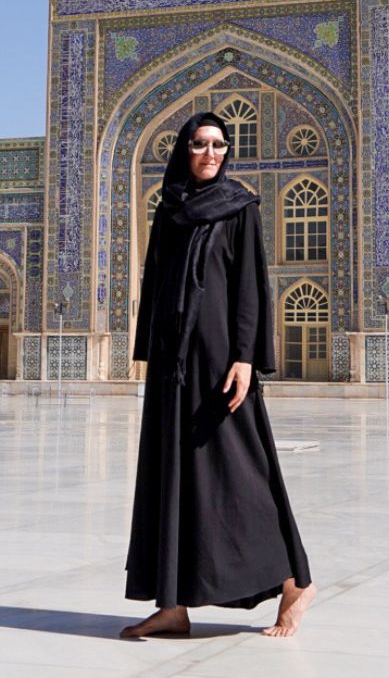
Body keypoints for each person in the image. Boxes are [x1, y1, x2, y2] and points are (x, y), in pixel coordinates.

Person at [120, 111, 315, 639]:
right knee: (172, 475)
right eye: (201, 144)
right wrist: (152, 354)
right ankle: (173, 604)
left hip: (221, 363)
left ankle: (295, 583)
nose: (210, 154)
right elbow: (157, 284)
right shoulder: (169, 211)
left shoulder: (239, 208)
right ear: (184, 149)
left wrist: (246, 357)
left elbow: (250, 285)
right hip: (173, 365)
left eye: (219, 146)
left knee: (241, 474)